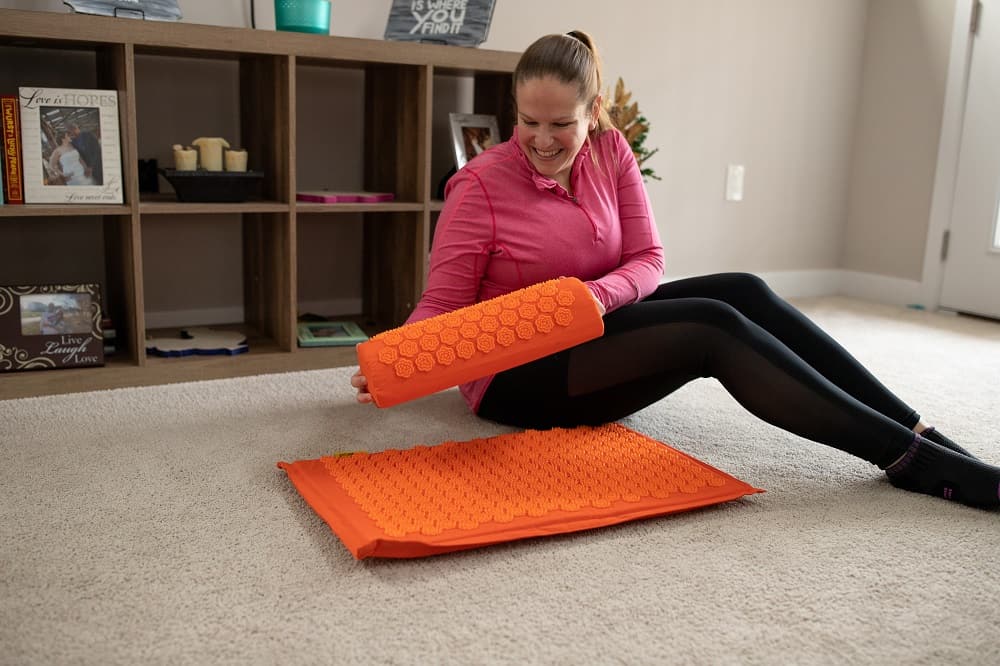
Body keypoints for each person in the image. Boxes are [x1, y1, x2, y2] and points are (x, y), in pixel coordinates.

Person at [352, 31, 1000, 510]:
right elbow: (443, 302)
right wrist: (396, 356)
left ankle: (919, 429)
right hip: (516, 375)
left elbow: (650, 262)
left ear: (594, 110)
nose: (543, 140)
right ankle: (908, 460)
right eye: (527, 123)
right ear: (512, 111)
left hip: (591, 325)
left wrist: (591, 300)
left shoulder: (610, 152)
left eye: (561, 124)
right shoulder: (479, 187)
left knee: (743, 289)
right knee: (710, 328)